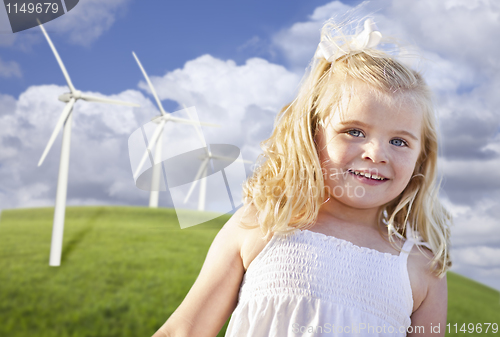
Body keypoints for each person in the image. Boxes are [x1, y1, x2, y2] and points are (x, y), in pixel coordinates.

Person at [152, 17, 452, 337]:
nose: (376, 153)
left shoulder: (423, 268)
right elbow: (184, 330)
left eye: (399, 141)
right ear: (312, 134)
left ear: (422, 154)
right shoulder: (264, 223)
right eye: (354, 131)